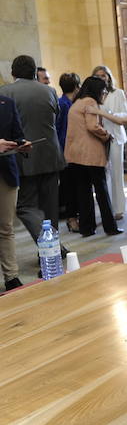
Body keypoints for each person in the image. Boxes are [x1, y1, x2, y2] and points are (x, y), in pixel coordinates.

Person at [0, 55, 67, 254]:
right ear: (33, 72)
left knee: (25, 206)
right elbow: (56, 117)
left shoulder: (5, 92)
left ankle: (51, 246)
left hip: (22, 155)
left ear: (12, 73)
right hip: (50, 153)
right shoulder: (49, 90)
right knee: (50, 207)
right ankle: (51, 249)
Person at [64, 77, 122, 237]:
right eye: (103, 90)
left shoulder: (77, 101)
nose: (104, 93)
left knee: (83, 191)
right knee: (102, 191)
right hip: (90, 154)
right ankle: (110, 227)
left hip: (75, 154)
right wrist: (106, 135)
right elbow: (92, 126)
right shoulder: (90, 102)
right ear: (97, 90)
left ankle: (87, 228)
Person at [0, 97, 29, 291]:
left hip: (5, 172)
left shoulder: (7, 103)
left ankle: (11, 276)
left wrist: (22, 145)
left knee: (6, 227)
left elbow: (17, 135)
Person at [92, 65, 127, 220]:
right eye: (98, 76)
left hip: (115, 136)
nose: (101, 78)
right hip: (98, 137)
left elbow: (125, 114)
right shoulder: (93, 96)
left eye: (104, 75)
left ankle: (119, 209)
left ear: (108, 77)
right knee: (103, 175)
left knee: (116, 174)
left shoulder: (117, 93)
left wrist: (109, 114)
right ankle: (106, 209)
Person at [56, 72, 81, 232]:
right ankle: (72, 218)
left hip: (74, 149)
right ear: (76, 87)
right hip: (67, 150)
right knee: (69, 186)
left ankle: (77, 216)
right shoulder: (64, 104)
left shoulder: (72, 102)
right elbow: (60, 130)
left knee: (76, 185)